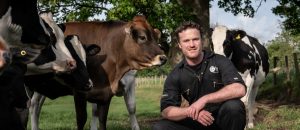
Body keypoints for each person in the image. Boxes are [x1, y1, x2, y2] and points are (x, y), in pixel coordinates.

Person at [152, 21, 246, 130]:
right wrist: (191, 111)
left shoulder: (220, 61)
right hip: (196, 121)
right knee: (161, 127)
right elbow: (166, 110)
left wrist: (204, 99)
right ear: (179, 45)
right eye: (186, 41)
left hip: (223, 120)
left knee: (234, 107)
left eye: (195, 39)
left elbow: (239, 89)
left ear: (202, 41)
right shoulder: (176, 74)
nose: (192, 45)